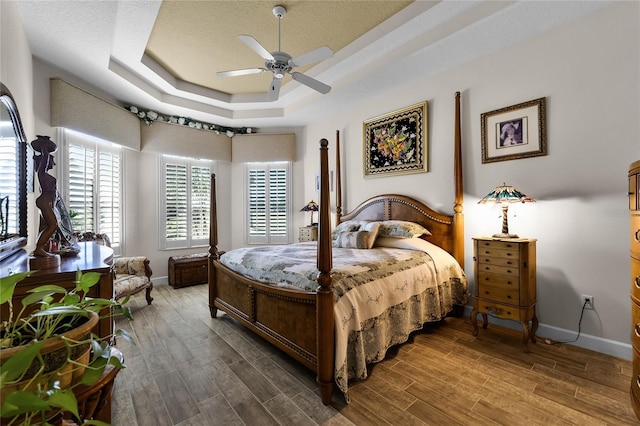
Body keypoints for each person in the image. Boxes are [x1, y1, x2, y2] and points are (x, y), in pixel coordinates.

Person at [32, 135, 59, 257]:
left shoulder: (45, 175)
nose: (54, 162)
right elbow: (45, 158)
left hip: (48, 201)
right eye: (52, 160)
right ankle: (39, 248)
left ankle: (41, 248)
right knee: (53, 225)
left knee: (46, 225)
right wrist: (44, 148)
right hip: (45, 200)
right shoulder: (42, 173)